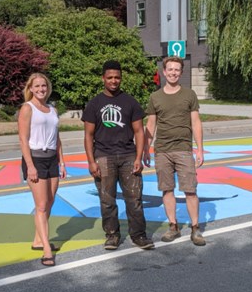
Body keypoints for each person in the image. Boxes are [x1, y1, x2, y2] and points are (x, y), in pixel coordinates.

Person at [83, 60, 156, 251]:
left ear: (121, 78)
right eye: (110, 77)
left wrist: (139, 157)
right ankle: (112, 235)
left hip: (128, 156)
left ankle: (139, 235)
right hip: (103, 157)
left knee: (135, 199)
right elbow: (88, 135)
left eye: (117, 77)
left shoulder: (130, 102)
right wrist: (91, 161)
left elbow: (139, 132)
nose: (114, 81)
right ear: (103, 79)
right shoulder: (94, 103)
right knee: (107, 200)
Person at [142, 56, 207, 245]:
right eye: (170, 69)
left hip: (184, 150)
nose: (173, 72)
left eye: (176, 70)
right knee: (166, 190)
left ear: (181, 72)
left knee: (190, 190)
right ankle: (173, 226)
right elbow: (151, 125)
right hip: (162, 150)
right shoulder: (155, 97)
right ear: (164, 72)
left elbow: (196, 122)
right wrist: (146, 149)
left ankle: (196, 228)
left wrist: (200, 149)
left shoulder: (189, 95)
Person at [18, 72, 66, 266]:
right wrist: (29, 166)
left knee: (51, 200)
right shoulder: (27, 108)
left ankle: (38, 239)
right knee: (41, 205)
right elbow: (23, 139)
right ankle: (46, 249)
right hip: (35, 159)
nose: (40, 89)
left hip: (52, 158)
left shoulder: (51, 109)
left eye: (43, 86)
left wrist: (62, 161)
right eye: (36, 86)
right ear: (30, 88)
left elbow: (57, 137)